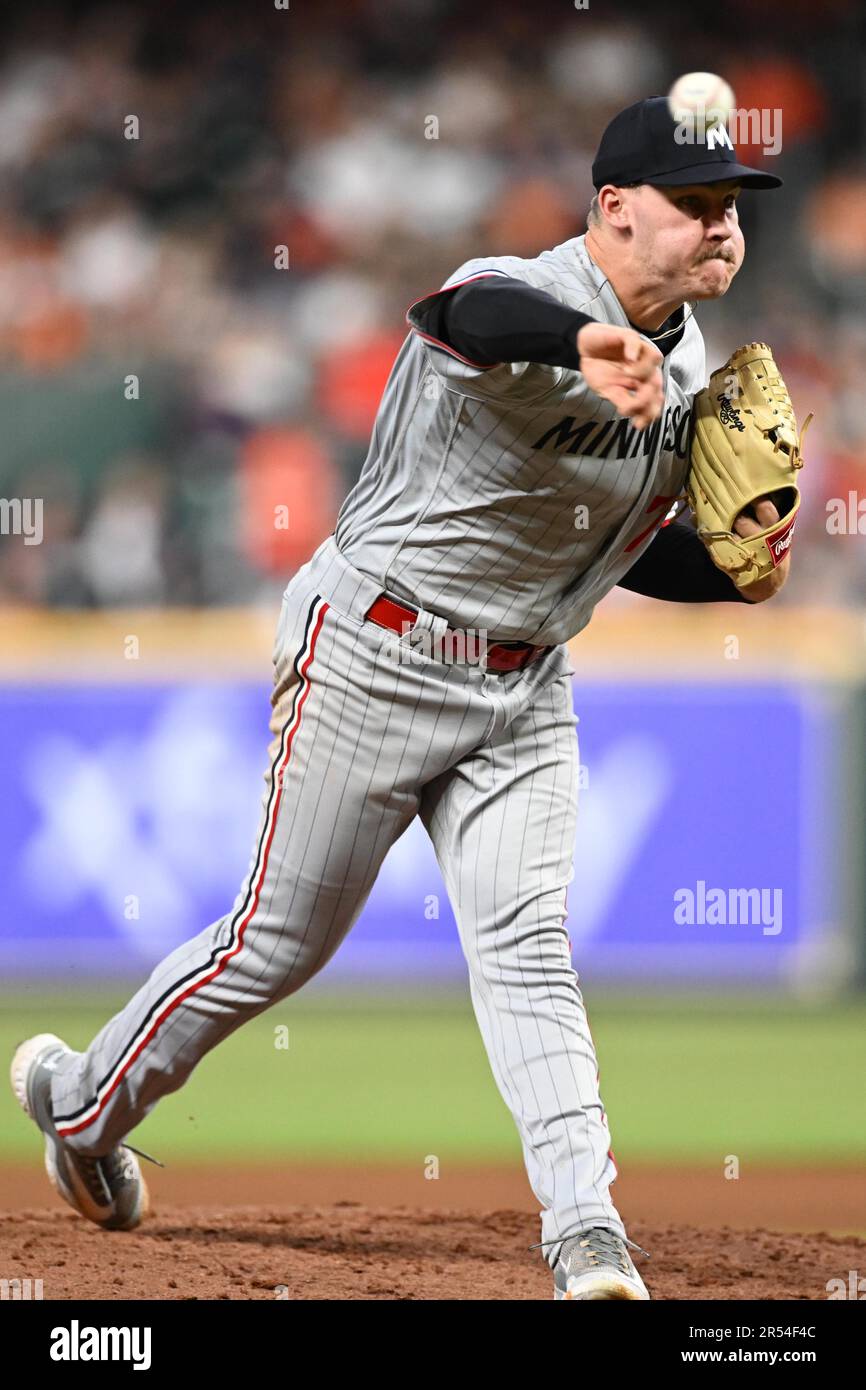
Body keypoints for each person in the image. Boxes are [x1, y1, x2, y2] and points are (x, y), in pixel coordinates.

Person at [11, 97, 787, 1301]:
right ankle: (80, 1105)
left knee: (526, 947)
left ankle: (587, 1236)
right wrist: (581, 343)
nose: (718, 230)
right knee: (274, 943)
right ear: (611, 210)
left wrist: (730, 572)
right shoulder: (516, 292)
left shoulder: (684, 361)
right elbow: (462, 317)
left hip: (523, 682)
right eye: (692, 206)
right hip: (372, 650)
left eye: (729, 210)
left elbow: (613, 541)